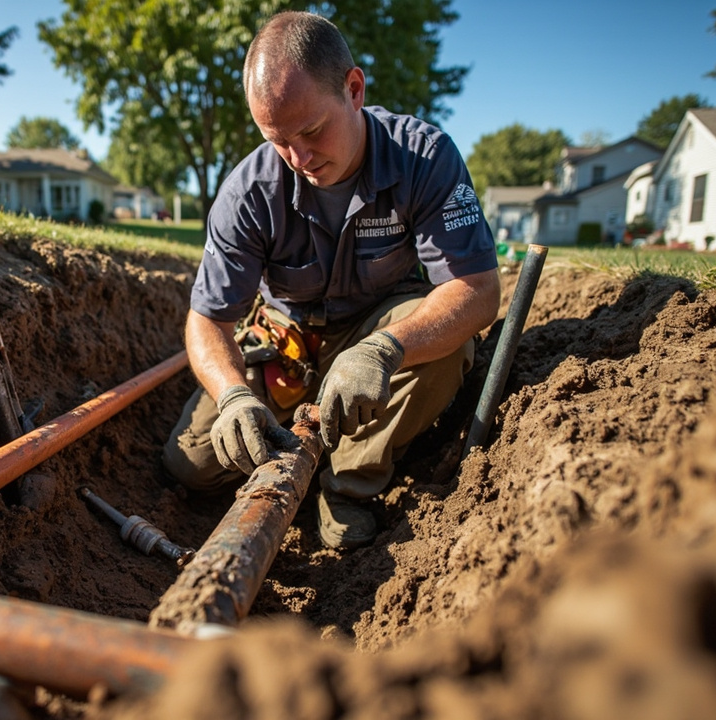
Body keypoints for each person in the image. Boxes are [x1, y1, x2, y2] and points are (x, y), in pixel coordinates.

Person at [163, 11, 501, 549]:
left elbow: (477, 289)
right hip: (289, 341)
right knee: (193, 463)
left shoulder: (424, 158)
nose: (298, 159)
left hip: (379, 323)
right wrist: (232, 396)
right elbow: (207, 319)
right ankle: (286, 449)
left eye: (312, 131)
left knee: (447, 348)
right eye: (278, 141)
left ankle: (347, 487)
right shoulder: (247, 193)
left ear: (354, 89)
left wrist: (385, 350)